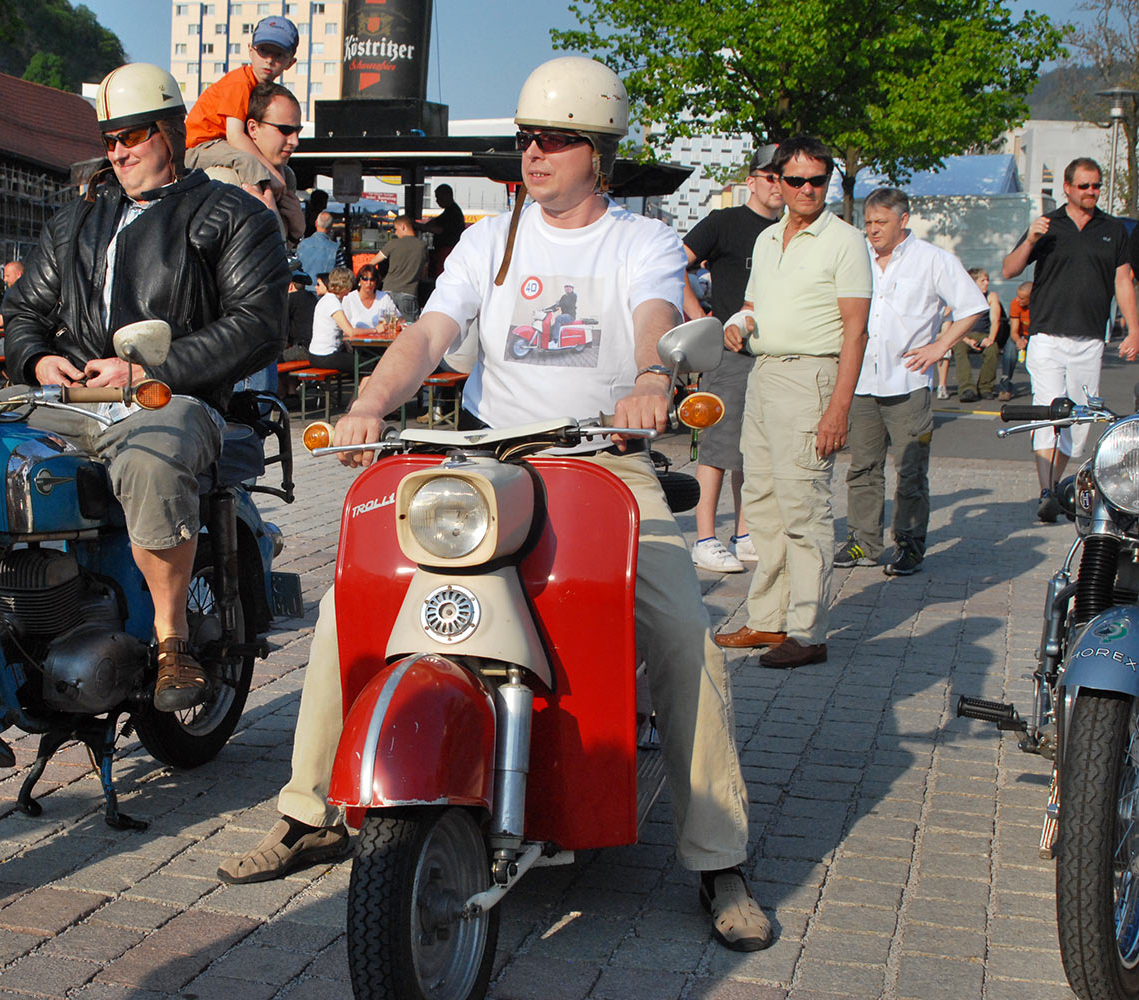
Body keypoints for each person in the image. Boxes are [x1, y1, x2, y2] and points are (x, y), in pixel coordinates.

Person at [219, 56, 773, 954]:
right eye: (525, 139)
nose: (535, 154)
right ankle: (309, 808)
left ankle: (719, 857)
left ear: (598, 151)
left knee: (682, 636)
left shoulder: (642, 242)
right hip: (482, 455)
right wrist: (371, 403)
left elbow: (653, 321)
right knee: (350, 606)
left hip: (601, 456)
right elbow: (429, 334)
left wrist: (646, 381)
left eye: (554, 140)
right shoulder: (490, 240)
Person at [2, 63, 288, 712]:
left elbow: (259, 326)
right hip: (71, 401)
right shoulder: (77, 220)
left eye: (131, 135)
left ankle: (172, 640)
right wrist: (38, 359)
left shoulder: (230, 214)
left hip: (177, 399)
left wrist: (148, 373)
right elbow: (24, 311)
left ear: (168, 131)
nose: (118, 152)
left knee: (154, 449)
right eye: (108, 139)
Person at [713, 136, 872, 669]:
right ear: (775, 182)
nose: (808, 189)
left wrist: (839, 409)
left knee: (804, 509)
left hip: (812, 377)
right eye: (797, 180)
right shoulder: (766, 239)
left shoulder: (845, 241)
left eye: (818, 180)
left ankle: (808, 630)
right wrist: (738, 324)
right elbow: (751, 304)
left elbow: (856, 333)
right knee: (761, 503)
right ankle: (767, 618)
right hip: (763, 374)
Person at [836, 187, 987, 578]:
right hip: (862, 380)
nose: (872, 230)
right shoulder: (858, 259)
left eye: (881, 223)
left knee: (910, 469)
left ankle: (908, 544)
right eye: (868, 222)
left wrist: (941, 346)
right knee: (863, 467)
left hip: (907, 380)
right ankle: (863, 541)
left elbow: (972, 306)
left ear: (904, 220)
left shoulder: (933, 260)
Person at [1002, 157, 1139, 523]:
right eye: (1084, 186)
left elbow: (1123, 280)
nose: (1091, 192)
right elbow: (1009, 268)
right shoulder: (1048, 226)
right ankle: (1047, 491)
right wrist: (1031, 238)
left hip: (1090, 339)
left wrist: (1136, 329)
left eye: (1096, 186)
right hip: (1046, 335)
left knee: (1077, 423)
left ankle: (1055, 484)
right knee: (1049, 412)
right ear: (1067, 188)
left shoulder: (1112, 229)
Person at [680, 144, 783, 574]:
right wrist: (703, 320)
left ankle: (744, 533)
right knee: (717, 448)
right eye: (772, 176)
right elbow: (672, 265)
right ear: (753, 180)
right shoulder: (726, 222)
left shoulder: (791, 230)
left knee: (755, 452)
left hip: (774, 354)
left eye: (787, 177)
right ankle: (705, 538)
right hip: (728, 356)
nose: (780, 185)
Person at [184, 16, 302, 238]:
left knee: (287, 175)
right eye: (263, 51)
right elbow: (236, 135)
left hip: (219, 144)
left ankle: (286, 231)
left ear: (290, 62)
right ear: (250, 51)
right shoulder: (239, 82)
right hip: (201, 146)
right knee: (249, 163)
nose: (269, 60)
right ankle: (267, 221)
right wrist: (270, 172)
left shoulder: (264, 90)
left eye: (278, 55)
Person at [239, 83, 306, 239]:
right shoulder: (225, 180)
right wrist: (269, 225)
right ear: (253, 128)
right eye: (285, 130)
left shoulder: (287, 179)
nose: (295, 141)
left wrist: (296, 233)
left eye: (297, 131)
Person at [950, 266, 1001, 403]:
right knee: (959, 348)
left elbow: (995, 320)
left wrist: (990, 338)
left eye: (987, 280)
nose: (987, 283)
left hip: (982, 334)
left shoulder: (991, 296)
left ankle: (985, 387)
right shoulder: (961, 298)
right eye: (982, 280)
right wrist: (967, 340)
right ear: (973, 283)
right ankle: (967, 388)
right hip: (964, 334)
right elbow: (955, 323)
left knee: (992, 349)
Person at [370, 215, 428, 321]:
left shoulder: (393, 243)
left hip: (387, 292)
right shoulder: (422, 246)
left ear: (403, 226)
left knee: (387, 328)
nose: (395, 233)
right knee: (410, 330)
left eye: (396, 229)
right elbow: (424, 273)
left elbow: (372, 263)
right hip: (409, 293)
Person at [306, 267, 355, 371]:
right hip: (325, 356)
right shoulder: (333, 302)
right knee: (369, 364)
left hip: (316, 354)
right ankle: (363, 387)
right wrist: (375, 330)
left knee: (358, 361)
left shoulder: (327, 299)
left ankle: (362, 386)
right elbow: (350, 332)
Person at [418, 183, 466, 278]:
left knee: (442, 275)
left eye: (438, 197)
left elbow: (441, 229)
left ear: (446, 195)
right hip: (445, 250)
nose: (437, 201)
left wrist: (424, 228)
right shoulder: (450, 211)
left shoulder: (453, 212)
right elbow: (435, 222)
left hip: (447, 250)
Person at [342, 263, 399, 329]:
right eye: (365, 279)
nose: (369, 283)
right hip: (356, 338)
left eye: (372, 279)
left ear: (376, 281)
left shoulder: (384, 297)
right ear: (359, 281)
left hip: (380, 337)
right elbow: (345, 327)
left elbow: (398, 317)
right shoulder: (349, 298)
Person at [1003, 280, 1032, 400]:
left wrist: (1028, 339)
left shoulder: (1039, 306)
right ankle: (1005, 385)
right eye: (1018, 296)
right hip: (1020, 335)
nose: (1018, 300)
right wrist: (1019, 341)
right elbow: (1013, 331)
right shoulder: (1015, 304)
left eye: (1022, 298)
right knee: (1010, 348)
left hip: (1035, 336)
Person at [297, 210, 341, 281]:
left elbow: (296, 268)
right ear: (330, 226)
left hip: (304, 287)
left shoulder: (302, 245)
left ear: (316, 223)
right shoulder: (335, 248)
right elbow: (342, 273)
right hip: (325, 288)